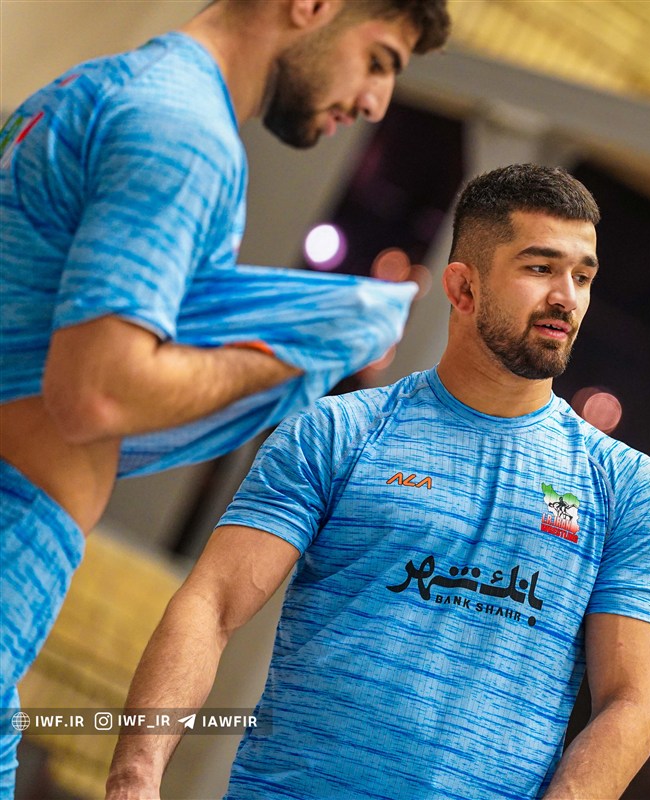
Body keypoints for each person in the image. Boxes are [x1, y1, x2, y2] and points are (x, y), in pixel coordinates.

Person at [105, 164, 650, 799]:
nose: (566, 297)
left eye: (582, 276)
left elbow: (629, 705)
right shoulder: (339, 433)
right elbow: (210, 605)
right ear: (462, 287)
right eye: (540, 268)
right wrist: (136, 777)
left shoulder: (625, 487)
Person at [0, 0, 450, 788]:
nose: (376, 101)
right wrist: (286, 354)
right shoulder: (186, 133)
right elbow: (97, 394)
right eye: (378, 60)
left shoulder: (102, 86)